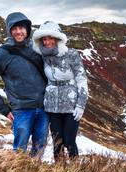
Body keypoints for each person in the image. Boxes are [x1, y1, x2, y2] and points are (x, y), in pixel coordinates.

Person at [0, 12, 49, 157]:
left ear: (27, 29)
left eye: (21, 28)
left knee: (40, 147)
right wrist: (4, 109)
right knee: (20, 151)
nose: (18, 31)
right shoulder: (1, 53)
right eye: (14, 28)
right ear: (9, 30)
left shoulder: (35, 50)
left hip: (43, 109)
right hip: (22, 110)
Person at [32, 21, 88, 162]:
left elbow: (82, 80)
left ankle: (75, 170)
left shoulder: (72, 54)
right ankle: (59, 171)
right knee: (57, 142)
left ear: (58, 39)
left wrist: (81, 105)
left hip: (71, 104)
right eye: (44, 39)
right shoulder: (42, 57)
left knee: (69, 140)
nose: (48, 42)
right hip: (52, 106)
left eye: (51, 38)